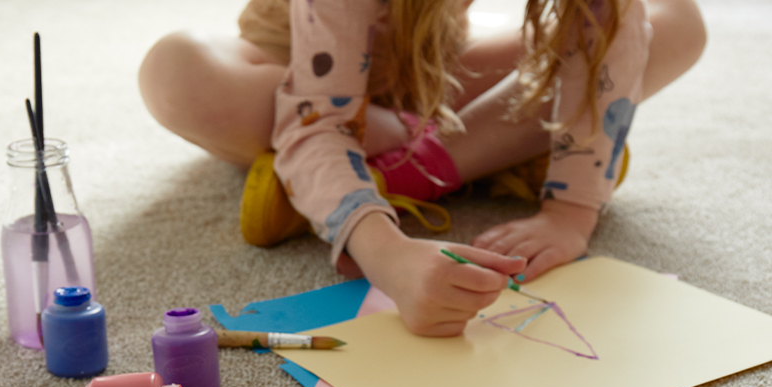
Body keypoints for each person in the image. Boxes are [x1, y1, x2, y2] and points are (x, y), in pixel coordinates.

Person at [138, 0, 706, 337]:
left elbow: (605, 25)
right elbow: (315, 119)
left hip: (434, 72)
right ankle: (477, 146)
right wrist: (383, 251)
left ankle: (413, 168)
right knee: (176, 71)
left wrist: (571, 210)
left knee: (677, 20)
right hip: (296, 74)